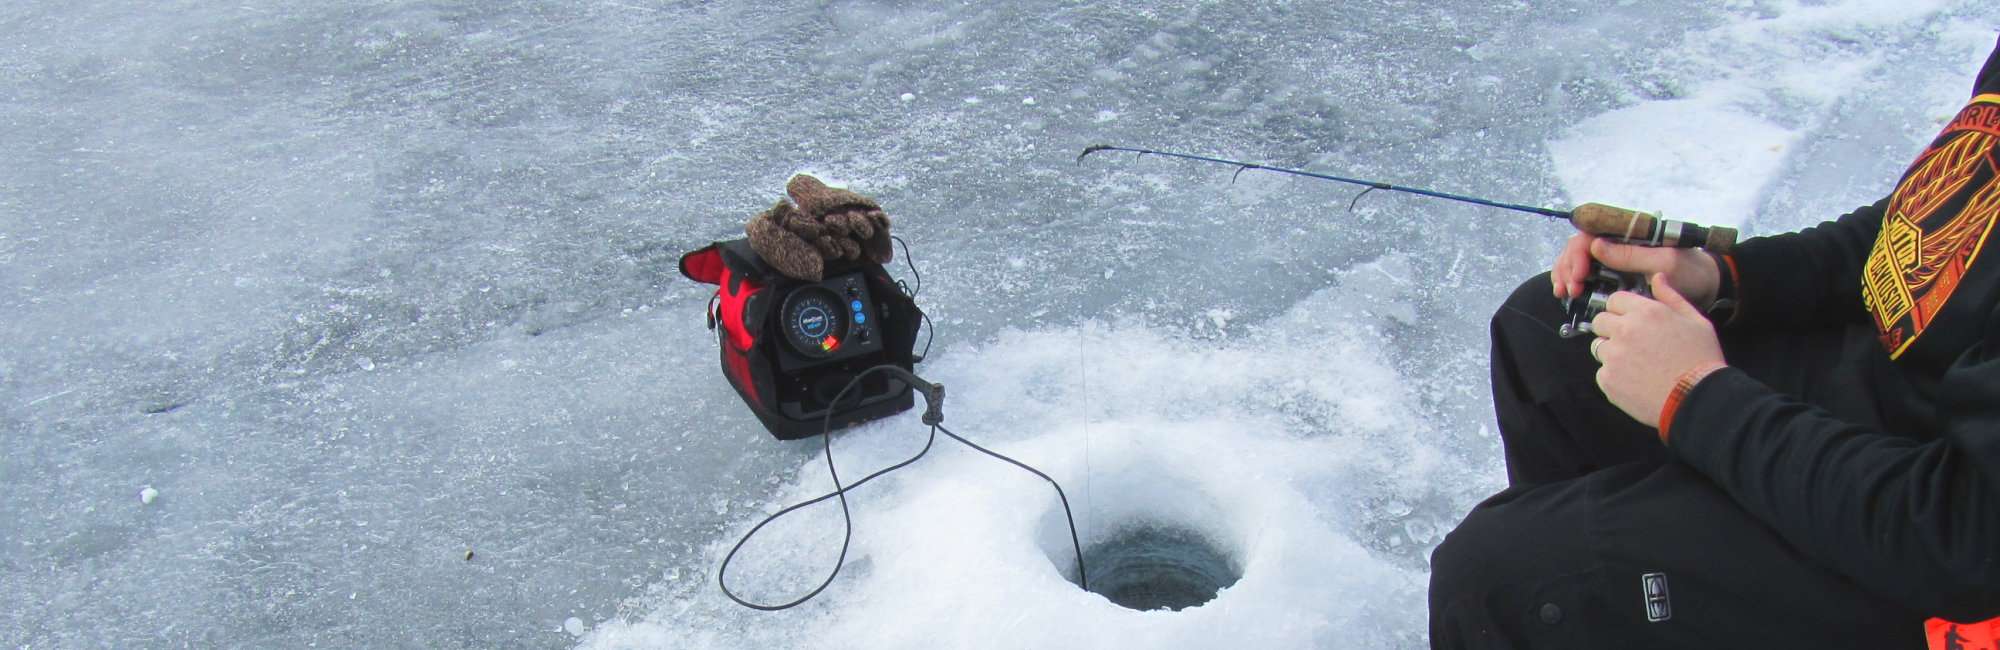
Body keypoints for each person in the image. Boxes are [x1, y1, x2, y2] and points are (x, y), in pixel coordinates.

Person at [1429, 37, 2000, 649]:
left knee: (1501, 580)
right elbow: (1944, 211)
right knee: (1550, 330)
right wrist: (1723, 279)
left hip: (1944, 549)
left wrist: (1696, 398)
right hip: (1917, 401)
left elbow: (1964, 540)